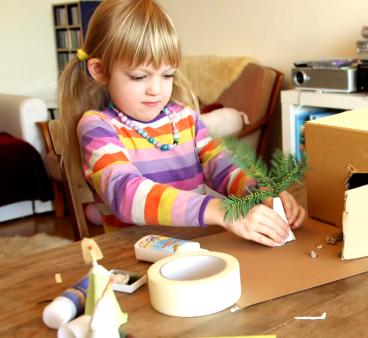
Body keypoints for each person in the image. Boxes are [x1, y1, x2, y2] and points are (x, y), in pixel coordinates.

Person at [57, 0, 305, 247]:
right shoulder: (97, 127)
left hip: (195, 249)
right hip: (131, 255)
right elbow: (125, 194)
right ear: (100, 70)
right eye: (139, 76)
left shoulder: (186, 118)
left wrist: (263, 194)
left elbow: (223, 167)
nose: (156, 89)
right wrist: (219, 210)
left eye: (167, 75)